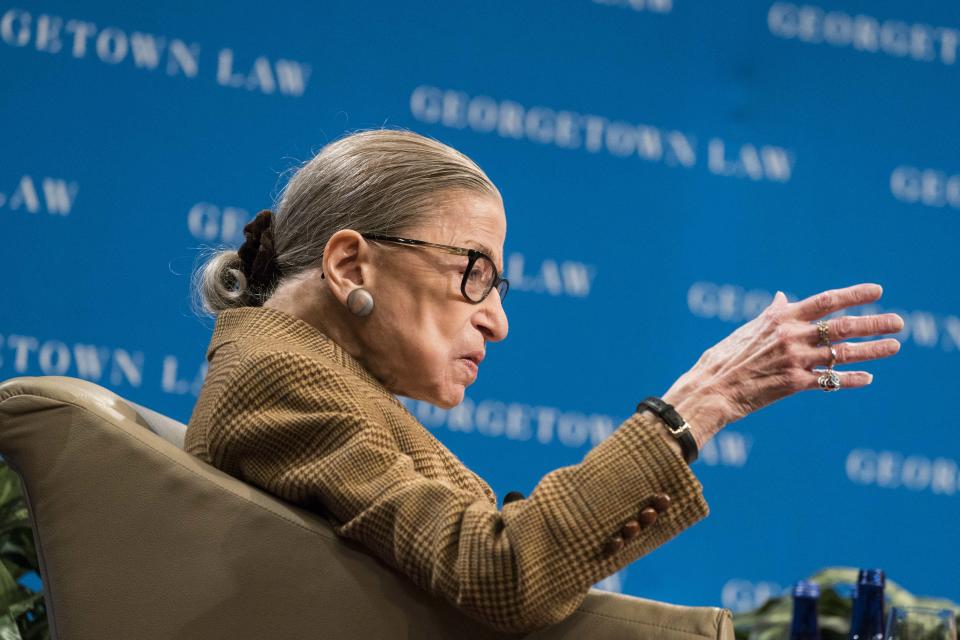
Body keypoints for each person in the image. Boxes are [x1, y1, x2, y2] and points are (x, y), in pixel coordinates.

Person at [185, 128, 903, 633]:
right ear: (349, 266)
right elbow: (499, 573)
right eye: (474, 273)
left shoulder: (311, 379)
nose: (498, 322)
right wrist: (699, 404)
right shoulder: (280, 379)